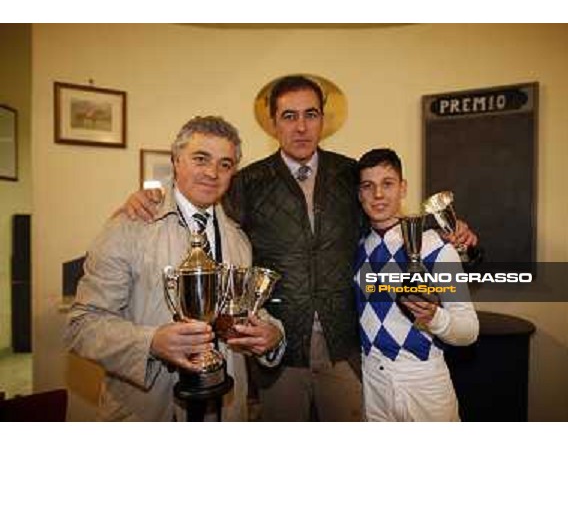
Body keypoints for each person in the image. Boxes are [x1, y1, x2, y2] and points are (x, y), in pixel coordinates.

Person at [122, 75, 478, 421]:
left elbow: (386, 216)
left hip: (346, 351)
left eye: (311, 114)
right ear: (273, 124)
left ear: (323, 119)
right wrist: (154, 197)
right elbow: (198, 219)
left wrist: (447, 230)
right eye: (289, 116)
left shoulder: (349, 175)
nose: (301, 127)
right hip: (279, 352)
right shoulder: (245, 182)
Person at [66, 116, 284, 422]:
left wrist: (272, 335)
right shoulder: (129, 227)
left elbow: (245, 312)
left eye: (225, 164)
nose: (212, 172)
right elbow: (82, 324)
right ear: (176, 160)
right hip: (148, 411)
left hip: (225, 409)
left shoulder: (238, 239)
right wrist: (151, 342)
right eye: (200, 159)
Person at [354, 148, 479, 421]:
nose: (377, 194)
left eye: (387, 183)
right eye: (368, 186)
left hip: (425, 382)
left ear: (403, 188)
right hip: (372, 386)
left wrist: (434, 317)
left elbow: (469, 330)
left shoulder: (436, 245)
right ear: (359, 193)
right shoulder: (355, 249)